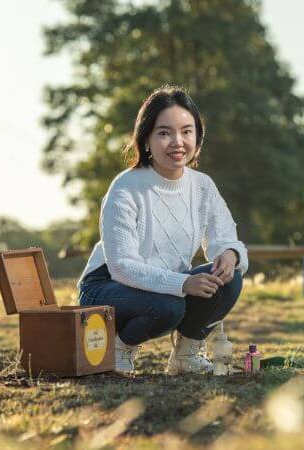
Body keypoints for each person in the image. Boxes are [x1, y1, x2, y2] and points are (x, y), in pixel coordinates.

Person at [76, 85, 248, 375]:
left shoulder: (202, 185)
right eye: (164, 133)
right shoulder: (126, 187)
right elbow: (122, 267)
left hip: (166, 284)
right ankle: (117, 348)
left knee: (229, 280)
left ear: (198, 136)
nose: (177, 142)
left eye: (187, 131)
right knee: (169, 307)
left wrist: (229, 255)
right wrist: (182, 284)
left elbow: (226, 238)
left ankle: (185, 356)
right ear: (146, 139)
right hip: (106, 286)